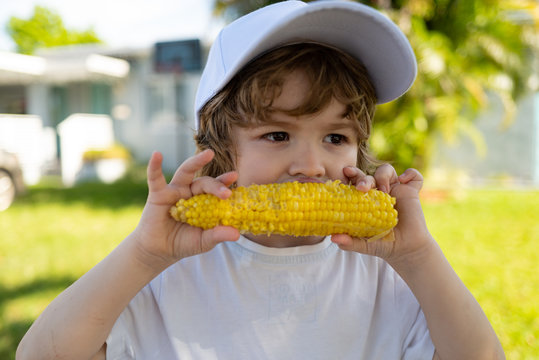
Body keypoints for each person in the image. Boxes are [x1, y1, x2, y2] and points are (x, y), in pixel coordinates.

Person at [17, 1, 504, 359]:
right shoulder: (169, 274)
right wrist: (143, 253)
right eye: (277, 134)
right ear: (219, 150)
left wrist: (418, 256)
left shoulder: (386, 277)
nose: (311, 165)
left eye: (336, 137)